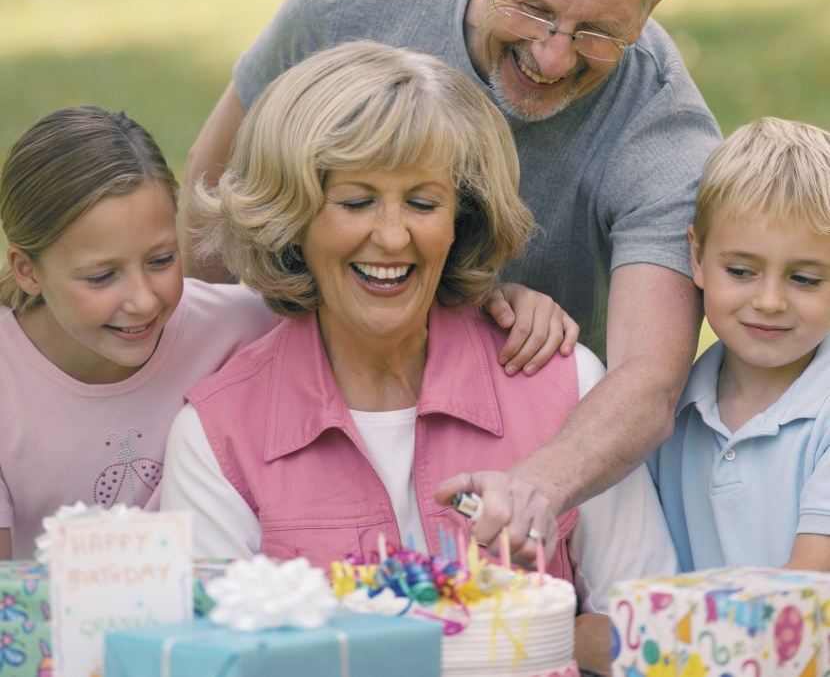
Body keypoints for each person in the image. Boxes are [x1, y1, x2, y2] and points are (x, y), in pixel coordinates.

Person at [180, 0, 721, 534]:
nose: (553, 57)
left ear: (652, 7)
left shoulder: (662, 127)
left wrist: (529, 490)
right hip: (316, 393)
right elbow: (214, 201)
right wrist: (235, 394)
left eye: (597, 32)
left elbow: (646, 383)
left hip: (533, 429)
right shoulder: (348, 5)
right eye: (531, 8)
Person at [162, 41, 677, 670]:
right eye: (355, 202)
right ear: (291, 215)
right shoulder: (217, 439)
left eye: (423, 202)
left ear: (461, 216)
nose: (392, 234)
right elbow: (215, 664)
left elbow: (657, 637)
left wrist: (506, 640)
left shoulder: (564, 385)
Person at [0, 106, 560, 561]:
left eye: (161, 259)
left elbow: (360, 306)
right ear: (26, 269)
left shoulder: (242, 323)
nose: (143, 300)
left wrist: (486, 299)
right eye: (101, 276)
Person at [649, 117, 830, 572]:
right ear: (697, 257)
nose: (769, 302)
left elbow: (805, 598)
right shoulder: (663, 409)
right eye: (741, 271)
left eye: (805, 278)